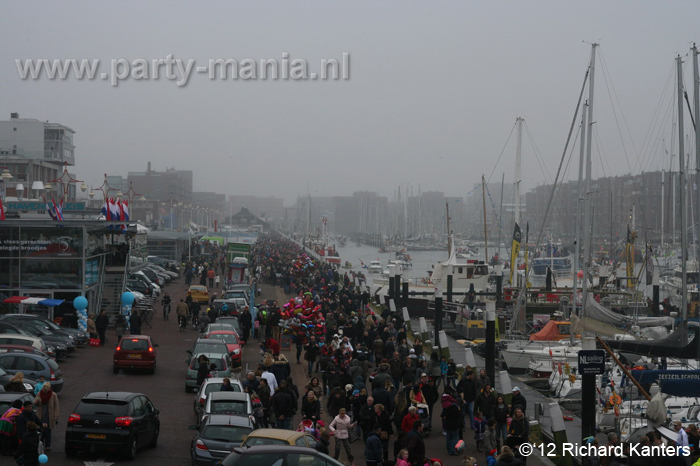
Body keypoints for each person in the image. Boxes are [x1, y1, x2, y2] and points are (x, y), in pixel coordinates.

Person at [33, 382, 58, 451]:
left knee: (48, 431)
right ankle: (40, 445)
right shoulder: (39, 394)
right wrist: (36, 402)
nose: (45, 392)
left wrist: (56, 415)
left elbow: (56, 405)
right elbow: (34, 403)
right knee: (40, 431)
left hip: (49, 416)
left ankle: (47, 445)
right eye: (44, 390)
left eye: (46, 391)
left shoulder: (53, 395)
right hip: (40, 415)